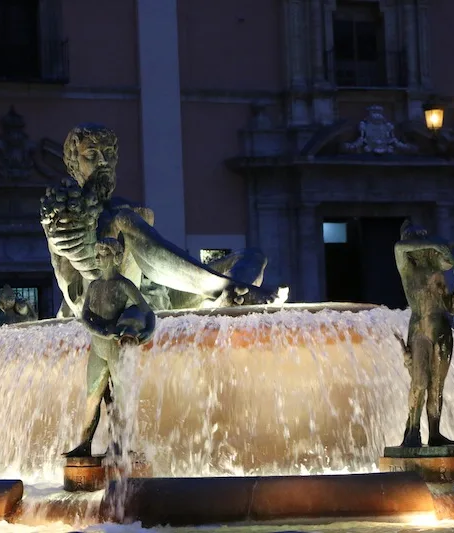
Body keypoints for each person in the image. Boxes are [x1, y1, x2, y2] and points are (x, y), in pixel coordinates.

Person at [41, 123, 288, 319]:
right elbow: (89, 273)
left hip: (156, 297)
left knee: (253, 256)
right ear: (74, 164)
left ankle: (231, 296)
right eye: (91, 155)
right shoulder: (64, 210)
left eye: (108, 154)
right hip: (102, 302)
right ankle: (223, 289)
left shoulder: (124, 206)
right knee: (125, 217)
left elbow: (152, 268)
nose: (103, 162)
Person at [64, 237, 155, 458]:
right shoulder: (94, 286)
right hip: (98, 348)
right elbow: (85, 316)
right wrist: (102, 331)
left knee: (121, 397)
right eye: (97, 254)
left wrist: (145, 334)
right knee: (92, 397)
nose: (97, 258)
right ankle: (85, 443)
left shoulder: (124, 285)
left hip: (116, 349)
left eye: (102, 254)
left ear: (114, 257)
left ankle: (120, 443)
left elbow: (147, 312)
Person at [395, 220, 454, 447]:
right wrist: (437, 245)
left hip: (442, 331)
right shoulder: (408, 268)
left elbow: (451, 307)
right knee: (419, 382)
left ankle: (435, 433)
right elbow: (399, 247)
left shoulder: (437, 272)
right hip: (420, 330)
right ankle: (412, 431)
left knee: (437, 386)